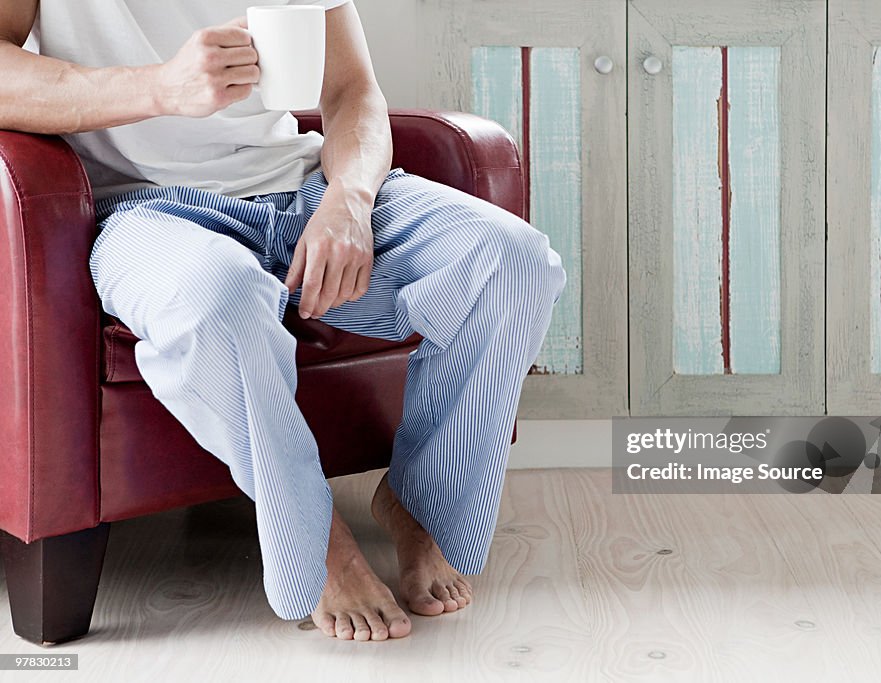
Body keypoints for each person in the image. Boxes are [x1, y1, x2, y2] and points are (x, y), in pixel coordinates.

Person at [0, 0, 565, 642]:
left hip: (301, 189)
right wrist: (158, 86)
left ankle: (419, 501)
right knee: (221, 295)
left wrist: (349, 202)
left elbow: (353, 91)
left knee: (513, 263)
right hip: (141, 212)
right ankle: (315, 540)